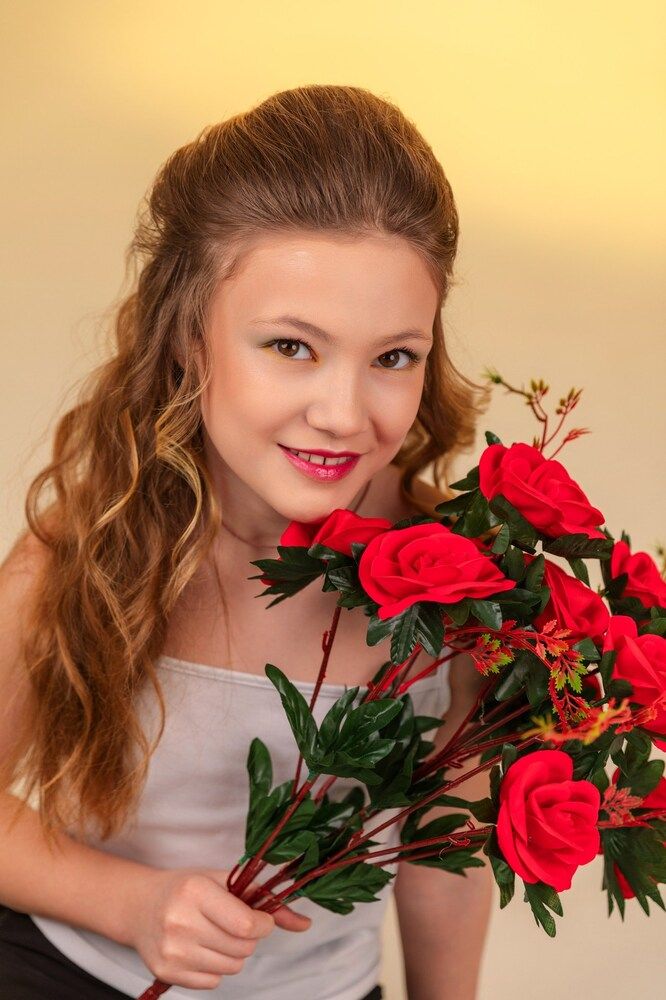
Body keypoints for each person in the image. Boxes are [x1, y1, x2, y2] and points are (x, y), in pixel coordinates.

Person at [0, 84, 495, 999]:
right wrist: (131, 903)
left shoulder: (456, 586)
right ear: (190, 337)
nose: (343, 414)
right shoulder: (85, 547)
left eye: (393, 357)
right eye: (292, 347)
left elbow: (443, 859)